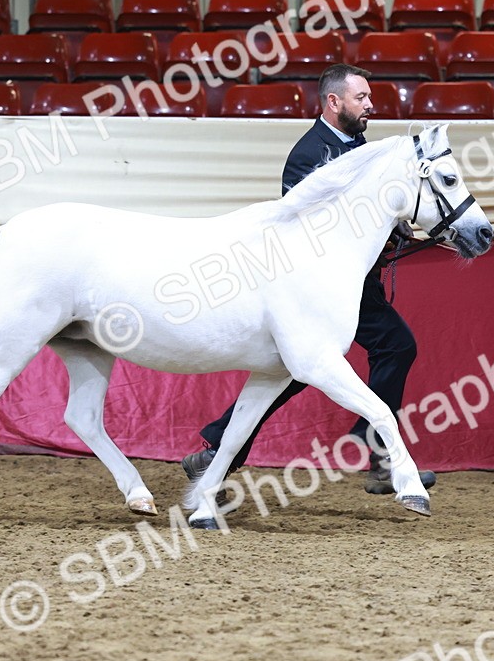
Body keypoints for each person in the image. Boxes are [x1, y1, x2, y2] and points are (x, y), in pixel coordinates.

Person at [182, 63, 437, 495]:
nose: (370, 105)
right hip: (315, 291)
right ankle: (216, 453)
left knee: (385, 348)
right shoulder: (307, 155)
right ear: (334, 102)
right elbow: (305, 227)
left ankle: (372, 450)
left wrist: (395, 225)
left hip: (354, 286)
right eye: (362, 98)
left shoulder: (357, 144)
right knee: (296, 372)